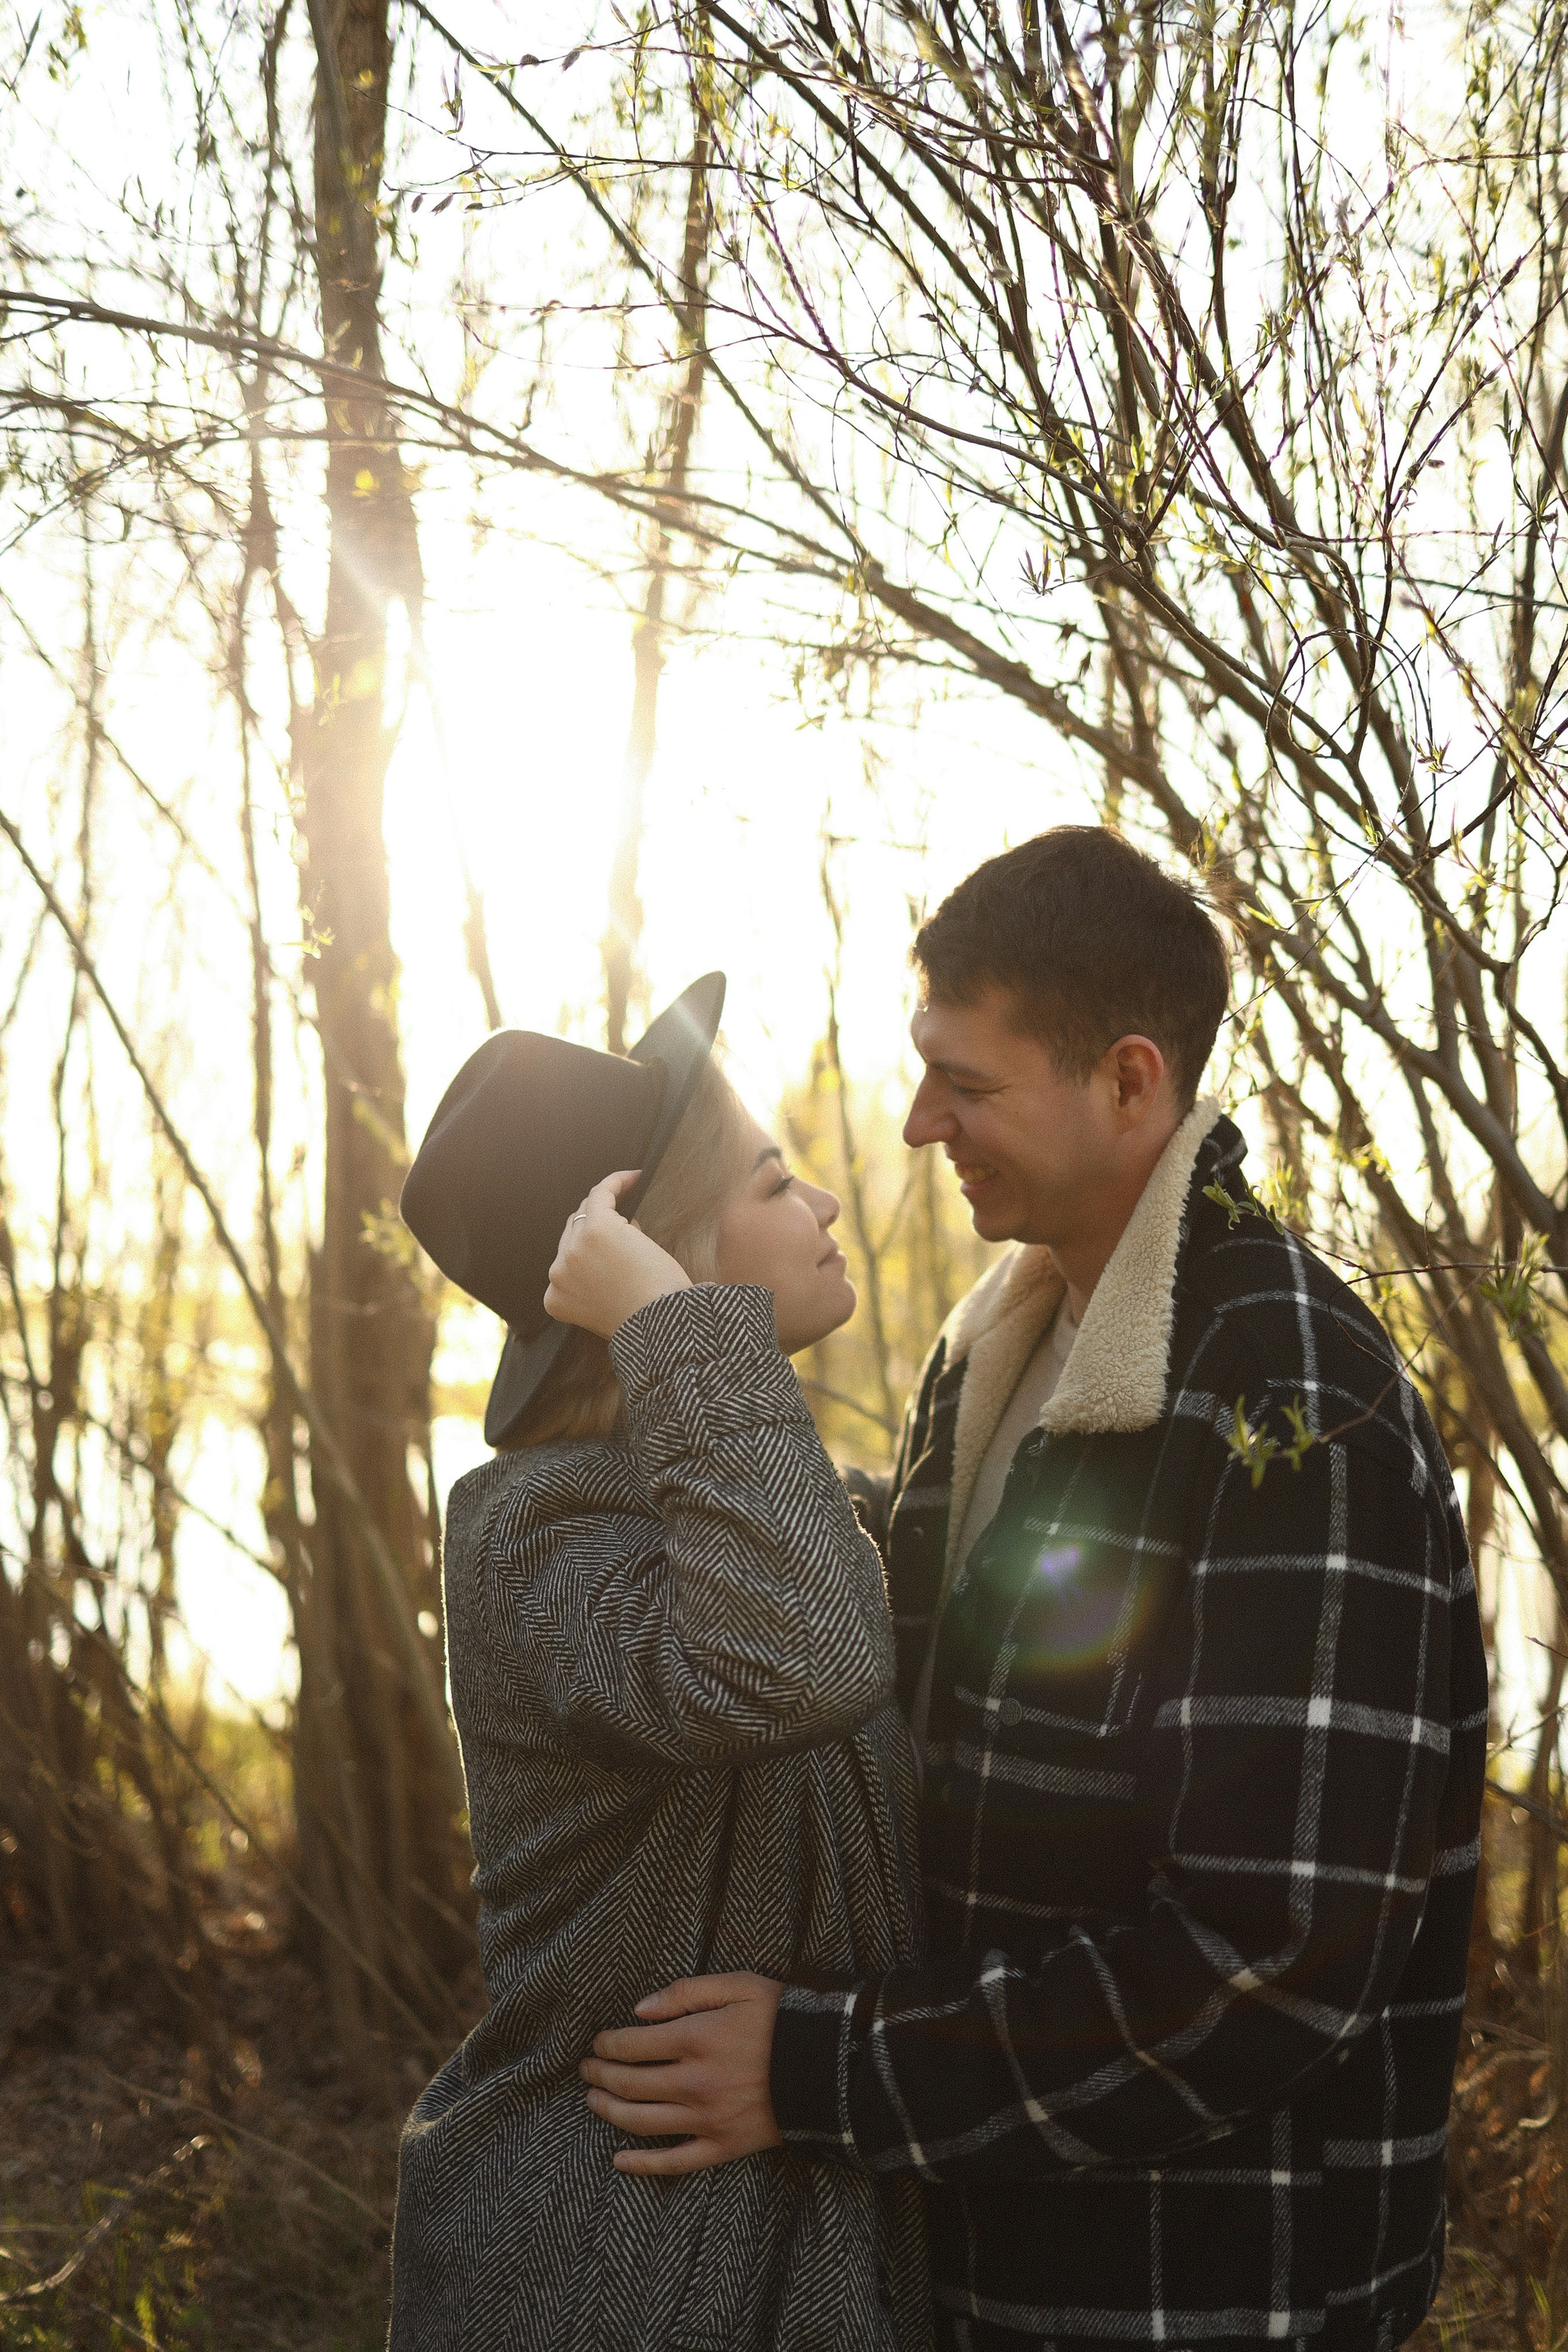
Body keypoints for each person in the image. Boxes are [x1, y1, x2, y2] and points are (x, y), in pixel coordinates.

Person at [580, 834, 1490, 2352]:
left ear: (1130, 1080)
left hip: (1208, 2293)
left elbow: (1266, 1960)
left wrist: (821, 2072)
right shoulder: (991, 1344)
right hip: (986, 2257)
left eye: (967, 1084)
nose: (922, 1121)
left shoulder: (1286, 1392)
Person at [389, 976, 930, 2352]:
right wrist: (673, 1327)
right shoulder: (534, 1540)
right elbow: (797, 1654)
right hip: (609, 2269)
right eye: (772, 1180)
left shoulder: (758, 1492)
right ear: (661, 1258)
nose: (818, 1206)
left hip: (781, 2250)